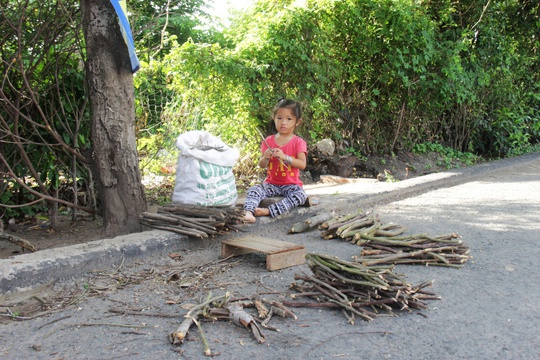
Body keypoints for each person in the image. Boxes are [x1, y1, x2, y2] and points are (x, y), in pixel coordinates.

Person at [243, 98, 308, 223]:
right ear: (274, 118)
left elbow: (302, 164)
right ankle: (248, 212)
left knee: (300, 196)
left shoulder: (298, 142)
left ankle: (269, 211)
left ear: (297, 122)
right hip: (271, 184)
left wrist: (285, 157)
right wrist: (265, 157)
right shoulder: (268, 141)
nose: (283, 122)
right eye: (279, 118)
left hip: (291, 185)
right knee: (254, 189)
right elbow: (261, 165)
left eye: (289, 119)